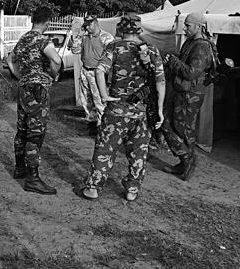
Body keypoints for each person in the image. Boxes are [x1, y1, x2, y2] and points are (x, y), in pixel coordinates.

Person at [82, 13, 165, 201]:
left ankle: (94, 188)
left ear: (121, 29)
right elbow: (160, 82)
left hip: (116, 110)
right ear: (139, 29)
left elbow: (99, 70)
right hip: (142, 112)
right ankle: (132, 190)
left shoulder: (114, 47)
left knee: (105, 149)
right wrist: (159, 110)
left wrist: (104, 96)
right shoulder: (152, 50)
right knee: (139, 152)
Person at [7, 6, 62, 195]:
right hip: (38, 89)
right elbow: (57, 60)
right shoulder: (42, 40)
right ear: (47, 22)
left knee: (22, 129)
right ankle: (33, 179)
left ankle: (20, 167)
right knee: (35, 133)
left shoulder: (23, 39)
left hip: (24, 88)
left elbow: (9, 60)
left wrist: (20, 76)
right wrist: (52, 76)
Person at [161, 12, 217, 181]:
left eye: (188, 25)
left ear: (198, 26)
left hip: (190, 95)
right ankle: (184, 161)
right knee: (174, 125)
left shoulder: (202, 47)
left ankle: (188, 161)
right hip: (181, 92)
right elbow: (184, 62)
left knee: (183, 128)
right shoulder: (190, 42)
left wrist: (173, 61)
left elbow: (191, 73)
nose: (184, 28)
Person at [71, 15, 114, 136]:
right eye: (86, 25)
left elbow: (112, 56)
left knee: (99, 99)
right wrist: (79, 35)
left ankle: (103, 125)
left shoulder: (106, 37)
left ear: (95, 23)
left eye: (90, 24)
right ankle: (92, 122)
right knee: (86, 99)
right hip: (85, 70)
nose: (88, 27)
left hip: (98, 72)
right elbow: (75, 50)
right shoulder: (84, 37)